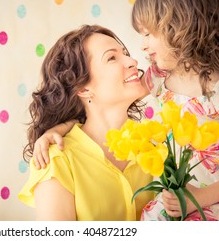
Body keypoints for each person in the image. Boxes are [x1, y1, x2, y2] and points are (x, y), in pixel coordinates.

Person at [33, 0, 219, 221]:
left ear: (180, 29)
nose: (136, 54)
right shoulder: (160, 77)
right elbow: (94, 106)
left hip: (218, 200)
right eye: (112, 57)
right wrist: (60, 129)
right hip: (179, 202)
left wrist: (197, 199)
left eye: (149, 34)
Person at [18, 24, 153, 221]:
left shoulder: (156, 146)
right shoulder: (56, 160)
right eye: (112, 58)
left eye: (125, 53)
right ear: (83, 89)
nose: (132, 61)